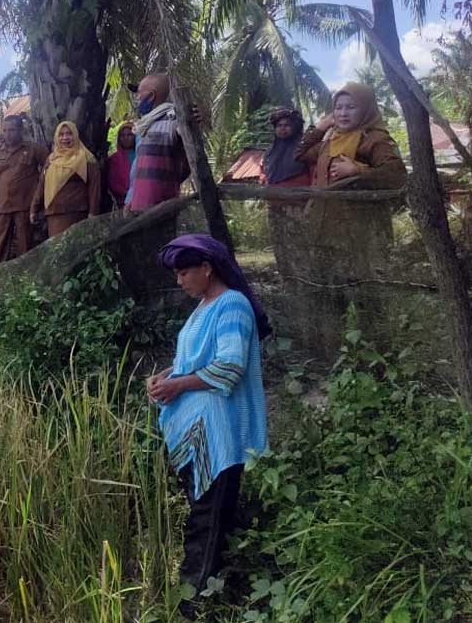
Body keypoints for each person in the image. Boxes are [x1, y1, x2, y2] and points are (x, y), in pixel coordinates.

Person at [148, 234, 270, 602]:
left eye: (186, 272)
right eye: (177, 273)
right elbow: (196, 360)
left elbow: (229, 367)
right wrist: (167, 376)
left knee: (206, 525)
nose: (180, 280)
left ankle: (189, 606)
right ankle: (228, 597)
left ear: (207, 268)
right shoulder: (204, 307)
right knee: (213, 521)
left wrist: (180, 385)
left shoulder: (232, 305)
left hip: (219, 439)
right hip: (200, 439)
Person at [294, 82, 407, 189]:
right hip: (323, 207)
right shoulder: (333, 140)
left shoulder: (374, 139)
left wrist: (358, 171)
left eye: (351, 107)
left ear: (365, 110)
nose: (343, 114)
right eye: (338, 108)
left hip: (361, 209)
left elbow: (398, 177)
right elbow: (300, 155)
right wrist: (320, 128)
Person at [0, 113, 48, 261]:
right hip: (2, 206)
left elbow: (49, 165)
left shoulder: (33, 149)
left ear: (20, 130)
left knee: (25, 245)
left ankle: (25, 278)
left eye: (11, 130)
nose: (8, 134)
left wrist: (40, 187)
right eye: (4, 130)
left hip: (24, 206)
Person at [127, 73, 190, 212]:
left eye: (139, 94)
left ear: (151, 96)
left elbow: (188, 161)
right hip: (138, 204)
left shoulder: (173, 120)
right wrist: (131, 198)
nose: (136, 98)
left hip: (160, 208)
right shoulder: (145, 124)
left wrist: (190, 121)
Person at [31, 121, 102, 237]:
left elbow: (94, 187)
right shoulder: (51, 159)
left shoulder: (86, 158)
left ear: (75, 135)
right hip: (54, 213)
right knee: (57, 250)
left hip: (76, 213)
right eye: (61, 134)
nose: (65, 138)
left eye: (69, 134)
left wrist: (93, 212)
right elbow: (42, 185)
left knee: (75, 249)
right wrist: (34, 208)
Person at [260, 107, 312, 187]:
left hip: (299, 195)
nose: (282, 128)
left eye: (287, 125)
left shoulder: (303, 147)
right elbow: (263, 175)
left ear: (294, 127)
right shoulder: (269, 153)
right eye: (279, 125)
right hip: (272, 195)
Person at [107, 120, 137, 206]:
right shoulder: (114, 159)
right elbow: (113, 182)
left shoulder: (142, 155)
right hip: (122, 202)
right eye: (122, 135)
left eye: (129, 135)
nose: (126, 138)